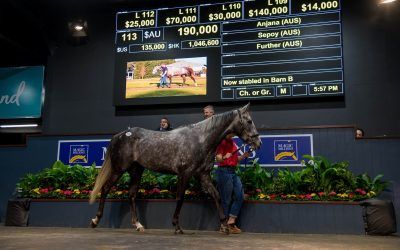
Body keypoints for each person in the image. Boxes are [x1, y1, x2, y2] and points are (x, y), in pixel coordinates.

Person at [215, 133, 250, 234]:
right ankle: (225, 225)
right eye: (233, 132)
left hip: (233, 171)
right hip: (223, 171)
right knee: (226, 199)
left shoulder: (232, 142)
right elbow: (218, 158)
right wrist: (225, 157)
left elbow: (235, 159)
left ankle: (231, 221)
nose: (235, 134)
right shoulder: (222, 142)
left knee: (240, 195)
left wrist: (243, 156)